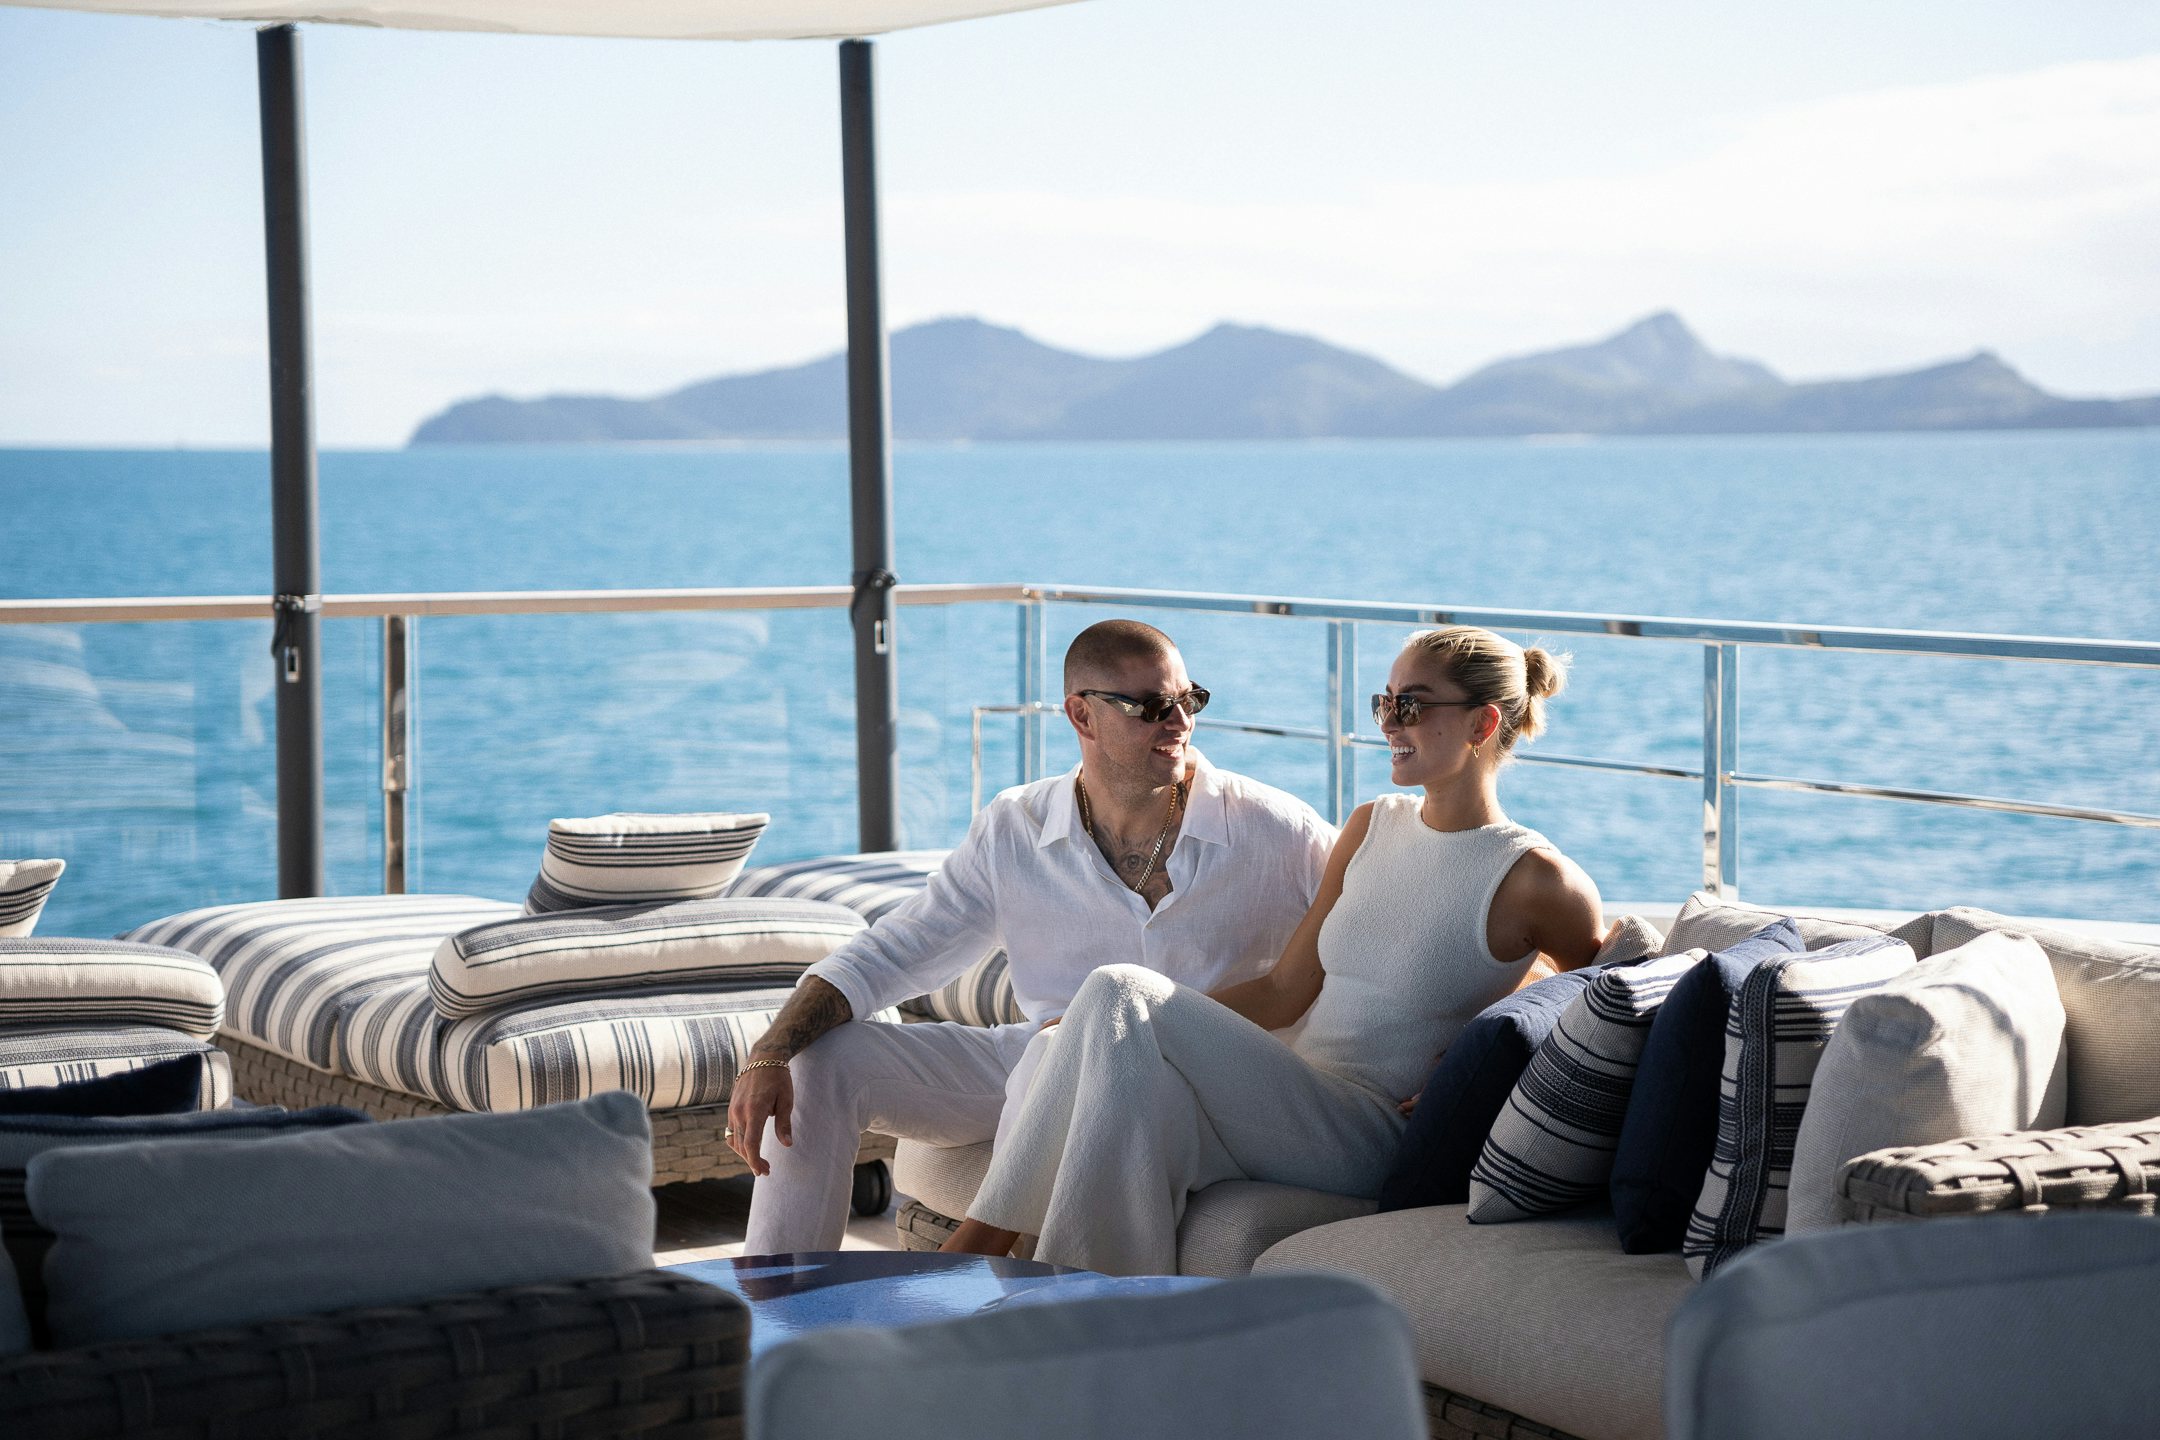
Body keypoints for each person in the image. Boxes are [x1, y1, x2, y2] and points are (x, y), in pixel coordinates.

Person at [942, 625, 1607, 1276]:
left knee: (1118, 987)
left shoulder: (1533, 877)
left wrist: (1480, 1058)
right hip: (1296, 1093)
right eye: (1384, 702)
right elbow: (1285, 990)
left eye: (1410, 705)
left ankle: (967, 1256)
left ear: (1482, 725)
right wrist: (1106, 1029)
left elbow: (1602, 1003)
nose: (1388, 723)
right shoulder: (1372, 826)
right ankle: (1101, 1328)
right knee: (1102, 1070)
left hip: (1370, 1135)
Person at [729, 619, 1337, 1256]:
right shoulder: (1015, 828)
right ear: (1082, 715)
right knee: (819, 1063)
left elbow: (1372, 926)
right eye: (1154, 707)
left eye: (1190, 700)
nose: (1179, 722)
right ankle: (783, 1302)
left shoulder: (1276, 829)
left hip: (1195, 1089)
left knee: (1058, 1050)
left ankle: (974, 1266)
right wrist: (770, 1051)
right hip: (1031, 1062)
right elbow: (896, 949)